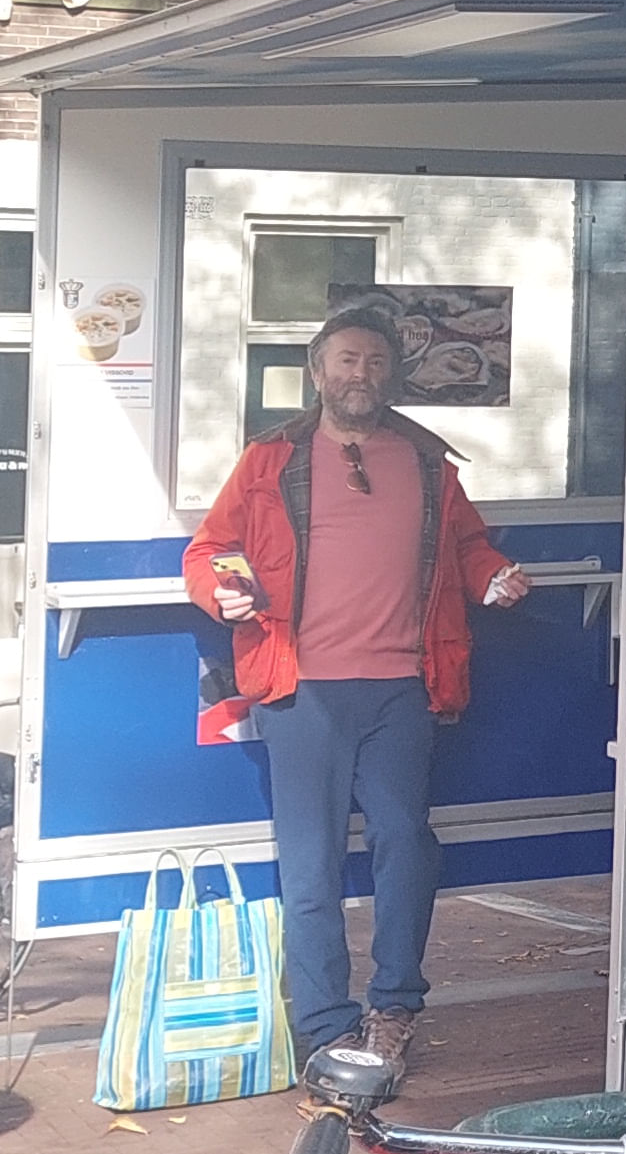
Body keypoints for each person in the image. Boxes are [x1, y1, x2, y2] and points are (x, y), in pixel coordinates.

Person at [183, 305, 529, 1078]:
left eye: (374, 362)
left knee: (406, 847)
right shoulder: (270, 459)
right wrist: (222, 592)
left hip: (403, 687)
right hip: (299, 689)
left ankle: (394, 1008)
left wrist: (492, 576)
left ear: (390, 374)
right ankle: (323, 1026)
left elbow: (467, 546)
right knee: (308, 868)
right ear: (318, 371)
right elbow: (210, 548)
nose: (360, 375)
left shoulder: (428, 462)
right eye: (346, 361)